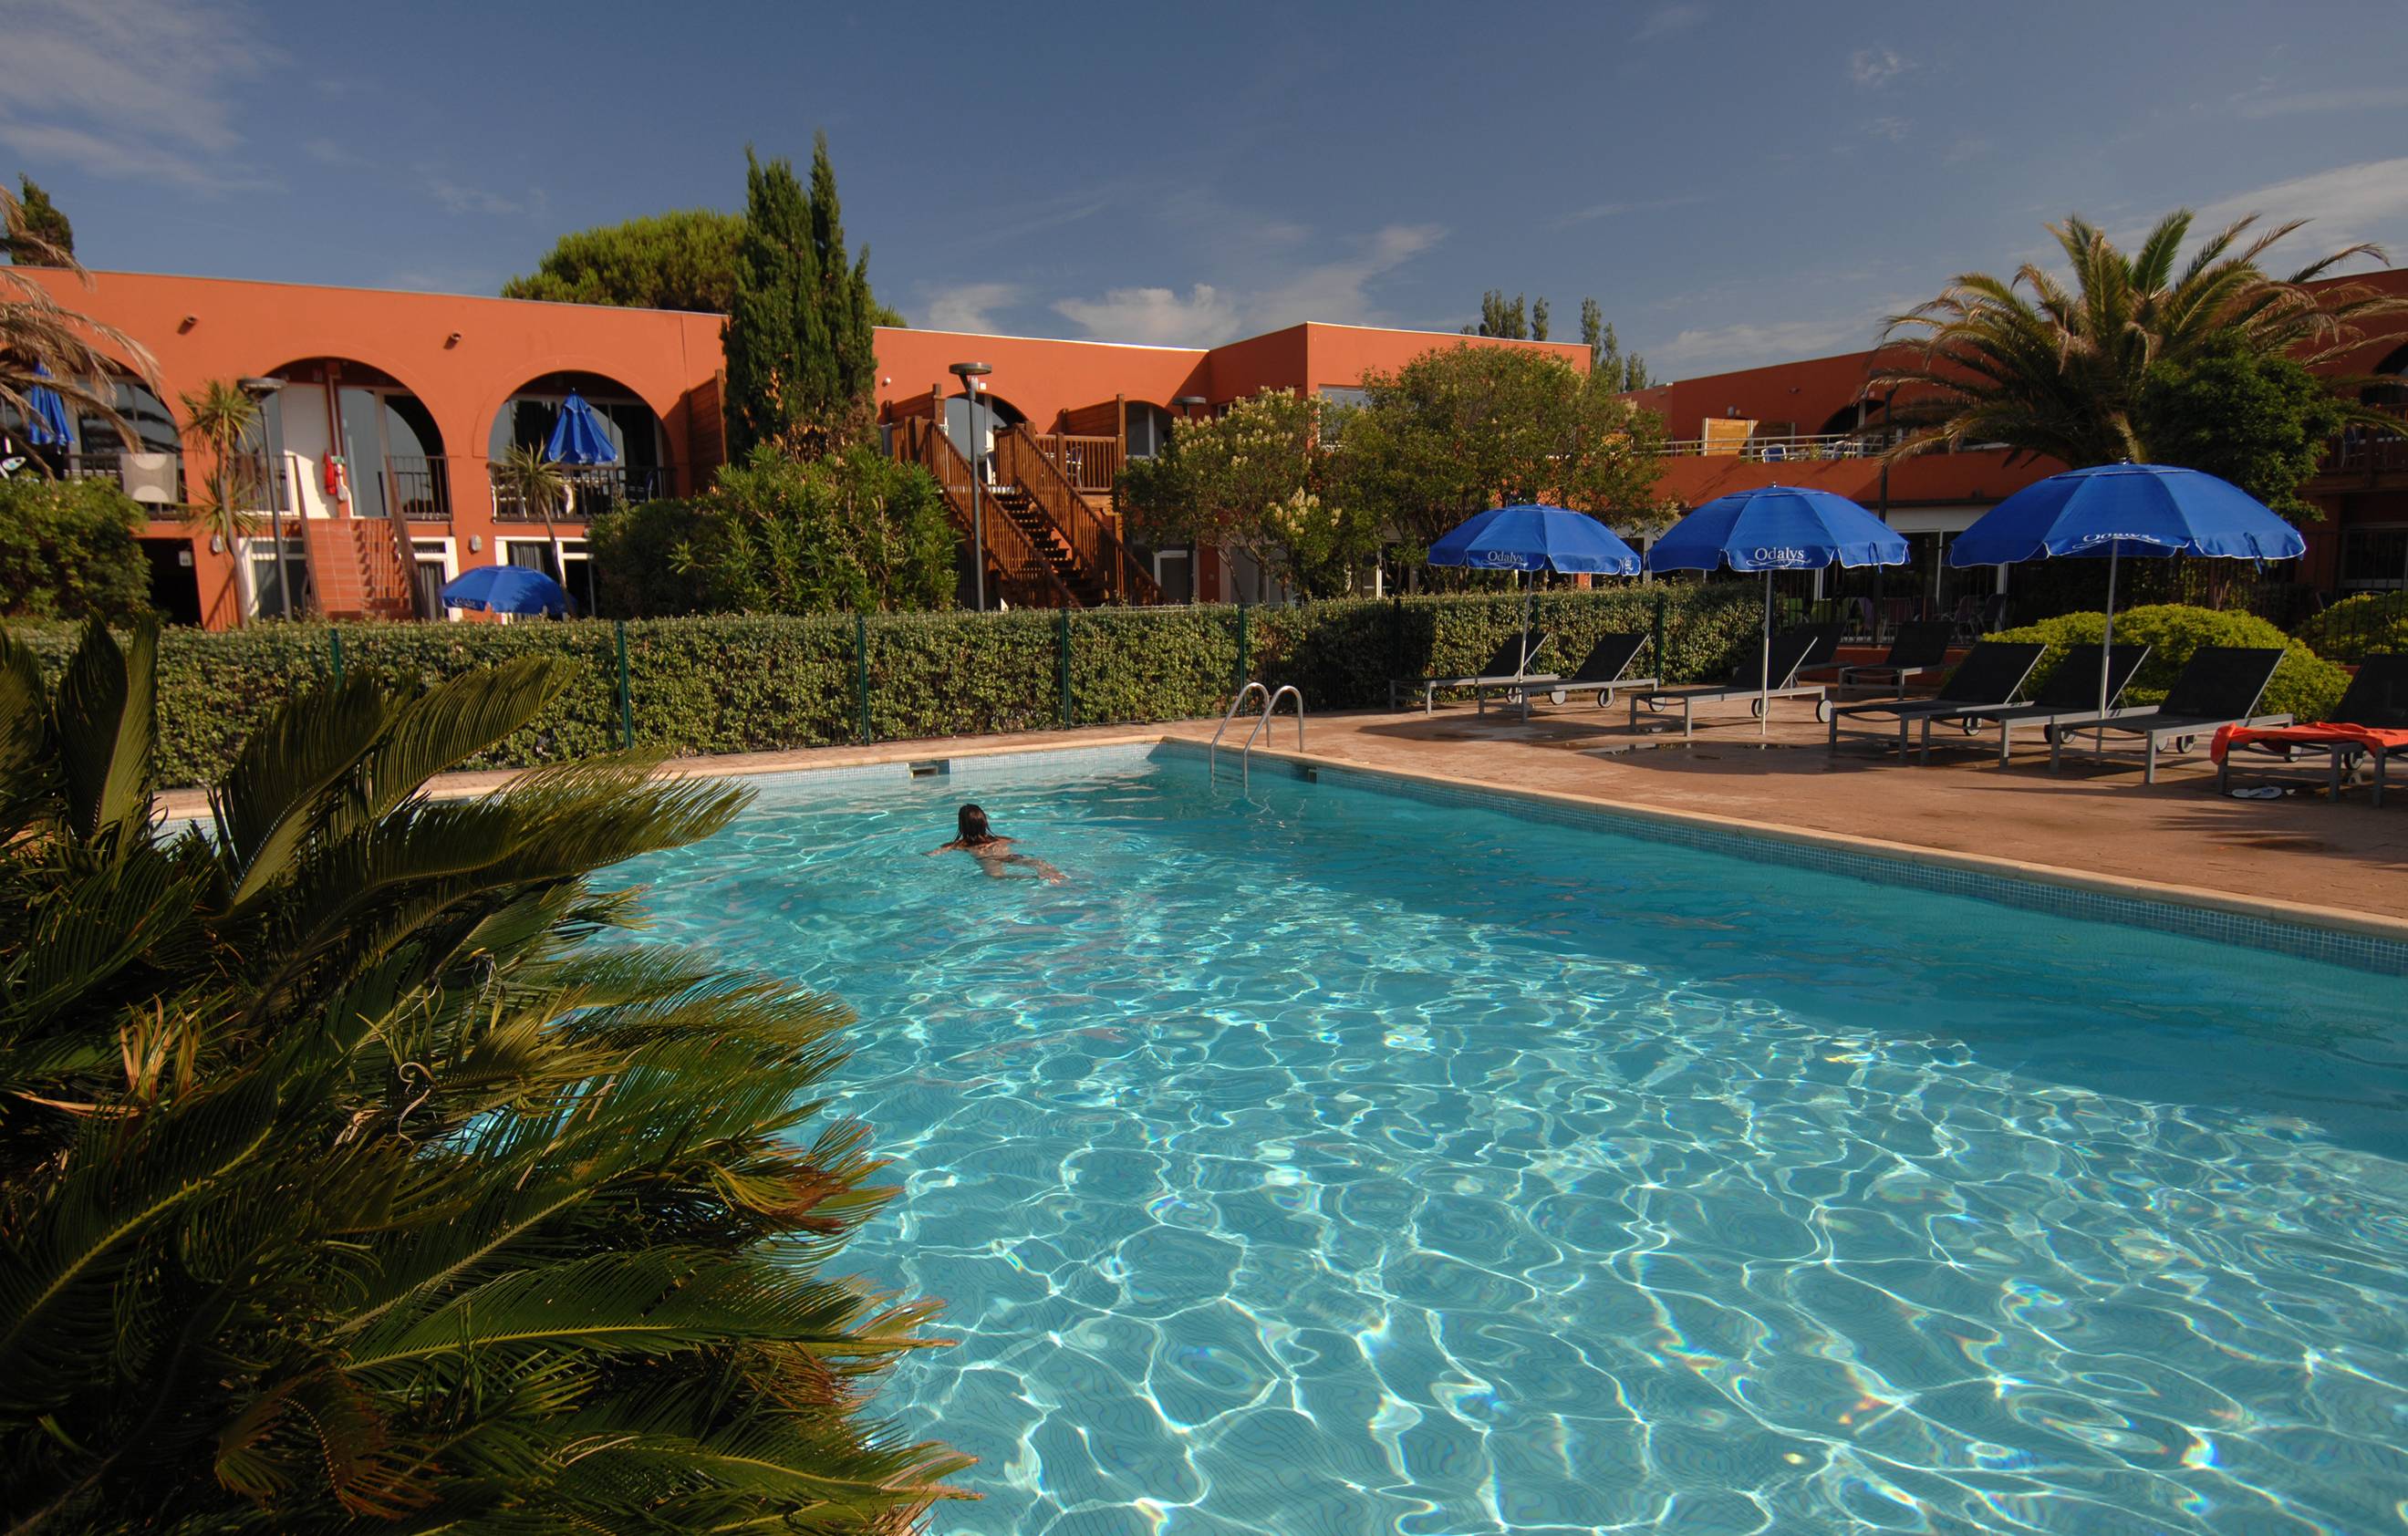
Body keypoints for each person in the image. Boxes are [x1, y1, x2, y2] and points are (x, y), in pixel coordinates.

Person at [928, 803, 1064, 883]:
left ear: (962, 825)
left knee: (995, 877)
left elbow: (933, 854)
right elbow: (1021, 841)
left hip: (987, 858)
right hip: (1003, 851)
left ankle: (1036, 878)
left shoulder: (959, 844)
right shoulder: (1000, 839)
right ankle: (1054, 873)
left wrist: (929, 854)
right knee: (1034, 862)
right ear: (984, 822)